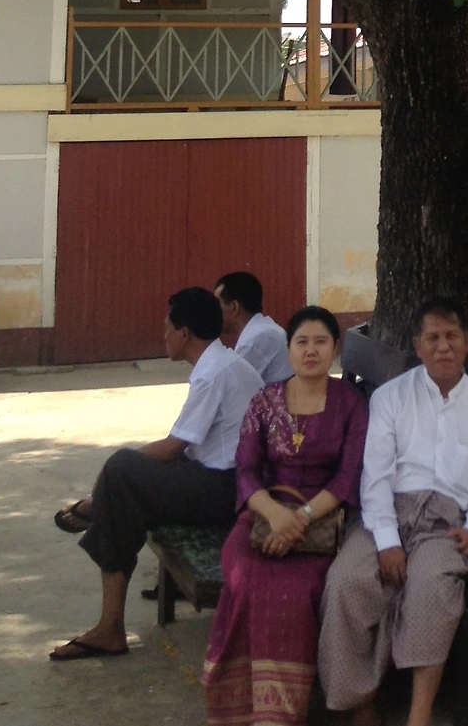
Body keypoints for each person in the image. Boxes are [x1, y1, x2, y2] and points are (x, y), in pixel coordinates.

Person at [318, 296, 468, 726]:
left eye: (452, 336)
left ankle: (419, 713)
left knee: (431, 591)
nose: (443, 347)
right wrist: (387, 541)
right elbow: (375, 476)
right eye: (433, 338)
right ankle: (361, 706)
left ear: (467, 341)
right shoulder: (390, 398)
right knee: (346, 582)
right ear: (418, 345)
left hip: (448, 523)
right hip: (387, 512)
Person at [49, 286, 262, 661]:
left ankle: (109, 622)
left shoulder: (213, 373)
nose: (163, 335)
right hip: (222, 478)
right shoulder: (221, 364)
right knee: (124, 488)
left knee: (121, 469)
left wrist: (111, 471)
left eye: (167, 327)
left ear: (184, 333)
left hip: (226, 488)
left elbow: (173, 447)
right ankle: (100, 512)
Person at [203, 305, 367, 726]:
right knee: (244, 577)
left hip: (322, 520)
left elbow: (348, 477)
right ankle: (243, 706)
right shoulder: (264, 400)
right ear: (289, 348)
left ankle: (281, 711)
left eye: (321, 342)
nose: (311, 351)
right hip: (263, 514)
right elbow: (245, 470)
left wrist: (301, 519)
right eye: (302, 342)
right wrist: (276, 515)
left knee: (298, 591)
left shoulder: (351, 403)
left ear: (335, 348)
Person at [217, 271, 293, 384]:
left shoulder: (257, 338)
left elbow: (230, 386)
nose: (213, 312)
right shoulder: (261, 330)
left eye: (217, 305)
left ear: (234, 307)